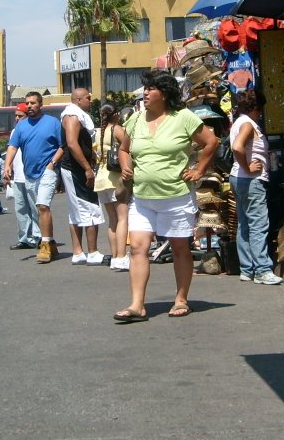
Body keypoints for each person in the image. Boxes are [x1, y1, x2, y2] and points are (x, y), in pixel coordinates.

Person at [113, 70, 218, 322]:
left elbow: (211, 141)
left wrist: (199, 169)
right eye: (145, 88)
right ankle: (137, 305)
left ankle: (181, 299)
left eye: (151, 88)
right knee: (138, 247)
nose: (145, 93)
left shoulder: (183, 117)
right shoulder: (135, 119)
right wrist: (125, 163)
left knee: (180, 247)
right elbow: (124, 148)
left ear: (165, 94)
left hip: (176, 195)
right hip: (142, 197)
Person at [2, 91, 64, 263]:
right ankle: (50, 242)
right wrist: (7, 165)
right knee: (38, 209)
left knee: (42, 205)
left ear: (40, 104)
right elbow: (12, 147)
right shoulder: (21, 126)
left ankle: (44, 246)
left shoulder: (52, 123)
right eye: (27, 103)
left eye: (32, 103)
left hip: (47, 171)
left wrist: (52, 163)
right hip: (29, 173)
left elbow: (62, 146)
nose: (29, 106)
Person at [230, 89, 282, 285]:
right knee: (258, 224)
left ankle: (247, 268)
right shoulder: (248, 124)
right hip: (250, 180)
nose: (261, 114)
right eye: (260, 110)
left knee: (244, 223)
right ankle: (262, 269)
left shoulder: (239, 122)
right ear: (256, 108)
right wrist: (248, 167)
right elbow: (237, 147)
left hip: (239, 179)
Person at [60, 88, 105, 265]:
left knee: (77, 210)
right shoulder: (72, 115)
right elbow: (71, 143)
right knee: (90, 208)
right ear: (78, 100)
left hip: (76, 167)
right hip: (76, 169)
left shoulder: (77, 114)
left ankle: (78, 252)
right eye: (88, 98)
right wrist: (87, 168)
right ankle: (91, 252)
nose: (90, 101)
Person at [94, 104, 130, 271]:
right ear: (115, 114)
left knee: (112, 220)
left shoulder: (99, 132)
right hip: (115, 178)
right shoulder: (117, 129)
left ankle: (115, 255)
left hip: (101, 179)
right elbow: (130, 148)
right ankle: (122, 256)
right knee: (122, 218)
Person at [8, 103, 41, 250]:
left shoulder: (34, 129)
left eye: (20, 116)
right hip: (18, 177)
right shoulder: (15, 132)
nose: (17, 118)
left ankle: (38, 237)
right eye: (15, 116)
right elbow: (11, 151)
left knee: (35, 208)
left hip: (32, 175)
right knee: (20, 209)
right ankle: (24, 238)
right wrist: (7, 169)